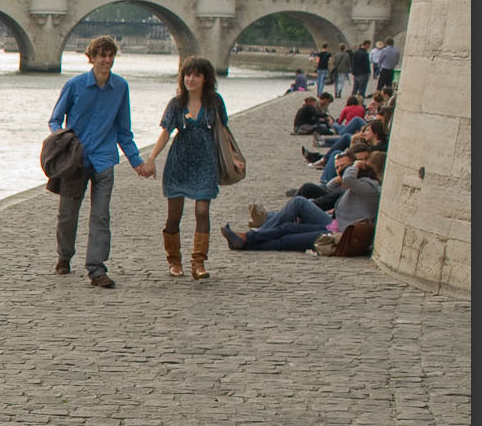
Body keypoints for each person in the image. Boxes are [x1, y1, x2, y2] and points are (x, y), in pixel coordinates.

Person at [48, 35, 146, 288]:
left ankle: (96, 268)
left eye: (110, 55)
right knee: (68, 215)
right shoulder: (75, 85)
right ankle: (64, 256)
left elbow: (124, 131)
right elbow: (55, 119)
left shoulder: (121, 88)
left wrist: (136, 161)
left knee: (101, 216)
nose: (107, 60)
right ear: (91, 58)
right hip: (75, 161)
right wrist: (62, 141)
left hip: (104, 160)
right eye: (102, 55)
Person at [138, 56, 237, 280]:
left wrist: (233, 158)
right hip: (179, 163)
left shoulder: (215, 102)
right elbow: (165, 132)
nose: (191, 79)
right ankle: (174, 260)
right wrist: (152, 158)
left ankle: (198, 262)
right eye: (187, 75)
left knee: (202, 211)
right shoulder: (176, 104)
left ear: (205, 78)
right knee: (174, 215)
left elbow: (223, 131)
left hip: (206, 163)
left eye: (196, 75)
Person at [223, 162, 381, 252]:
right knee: (287, 226)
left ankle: (247, 241)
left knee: (288, 240)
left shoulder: (370, 189)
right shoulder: (361, 189)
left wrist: (356, 165)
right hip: (335, 225)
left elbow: (348, 179)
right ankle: (246, 238)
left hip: (339, 235)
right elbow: (334, 187)